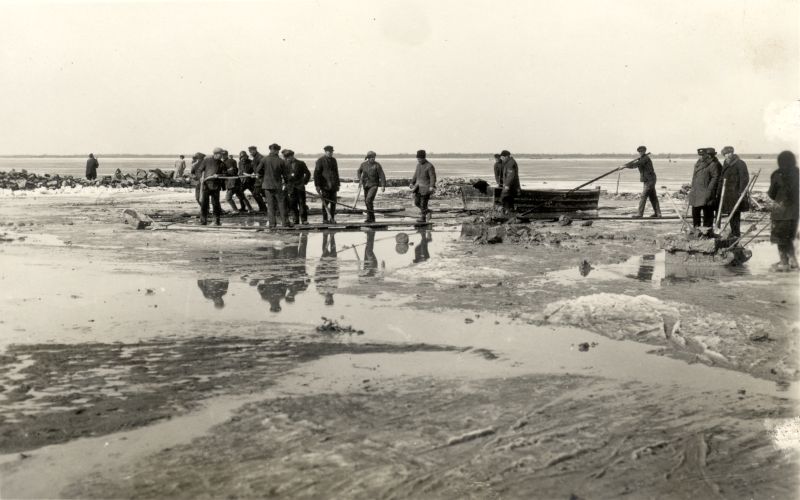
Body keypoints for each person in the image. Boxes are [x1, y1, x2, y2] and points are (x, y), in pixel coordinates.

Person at [767, 151, 799, 271]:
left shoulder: (777, 174)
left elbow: (772, 193)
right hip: (794, 212)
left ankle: (784, 262)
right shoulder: (798, 173)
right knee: (789, 237)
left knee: (780, 238)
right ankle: (793, 261)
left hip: (780, 212)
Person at [717, 146, 750, 237]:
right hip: (727, 193)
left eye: (729, 153)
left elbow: (744, 179)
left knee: (735, 213)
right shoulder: (725, 163)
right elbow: (722, 177)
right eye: (726, 154)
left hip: (736, 193)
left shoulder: (740, 163)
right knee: (730, 213)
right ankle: (733, 232)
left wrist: (741, 192)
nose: (728, 155)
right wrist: (719, 191)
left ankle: (736, 233)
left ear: (733, 153)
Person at [688, 148, 721, 232]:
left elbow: (715, 177)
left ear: (706, 155)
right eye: (699, 155)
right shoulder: (698, 164)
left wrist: (709, 190)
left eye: (702, 155)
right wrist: (692, 188)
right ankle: (697, 230)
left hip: (706, 192)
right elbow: (694, 177)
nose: (701, 157)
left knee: (708, 212)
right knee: (695, 212)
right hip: (696, 192)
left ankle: (707, 231)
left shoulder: (712, 164)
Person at [260, 143, 291, 228]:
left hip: (267, 186)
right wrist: (287, 183)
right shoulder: (281, 161)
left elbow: (258, 171)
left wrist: (264, 176)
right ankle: (285, 223)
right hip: (278, 186)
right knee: (281, 204)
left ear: (270, 150)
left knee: (270, 206)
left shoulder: (264, 160)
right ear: (277, 151)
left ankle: (272, 224)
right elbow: (285, 175)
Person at [627, 146, 661, 218]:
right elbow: (636, 163)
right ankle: (658, 214)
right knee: (653, 197)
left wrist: (625, 166)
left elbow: (636, 165)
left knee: (643, 196)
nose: (640, 153)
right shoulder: (642, 158)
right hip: (648, 180)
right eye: (639, 152)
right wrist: (626, 165)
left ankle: (639, 214)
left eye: (642, 151)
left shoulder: (645, 159)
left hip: (650, 180)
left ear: (645, 151)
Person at [195, 147, 225, 225]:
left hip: (215, 186)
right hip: (206, 185)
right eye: (220, 154)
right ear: (215, 154)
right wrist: (200, 178)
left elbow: (225, 174)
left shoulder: (221, 163)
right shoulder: (206, 161)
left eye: (222, 154)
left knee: (216, 204)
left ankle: (216, 221)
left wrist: (218, 175)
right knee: (204, 203)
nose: (221, 156)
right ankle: (203, 220)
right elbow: (199, 170)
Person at [357, 151, 387, 222]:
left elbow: (382, 175)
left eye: (374, 157)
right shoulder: (363, 164)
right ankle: (370, 218)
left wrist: (383, 185)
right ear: (368, 158)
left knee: (368, 200)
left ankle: (371, 218)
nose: (373, 159)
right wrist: (360, 179)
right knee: (367, 202)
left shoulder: (377, 165)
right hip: (366, 186)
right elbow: (358, 171)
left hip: (374, 185)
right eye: (371, 158)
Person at [283, 149, 311, 225]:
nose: (287, 159)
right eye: (286, 157)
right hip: (290, 188)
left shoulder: (301, 163)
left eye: (288, 157)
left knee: (302, 203)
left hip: (300, 187)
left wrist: (304, 182)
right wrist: (286, 183)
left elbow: (308, 173)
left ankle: (304, 220)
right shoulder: (285, 164)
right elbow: (284, 176)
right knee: (292, 204)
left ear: (292, 156)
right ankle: (296, 220)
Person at [314, 145, 340, 223]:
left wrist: (338, 184)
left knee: (333, 203)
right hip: (325, 186)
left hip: (333, 185)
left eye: (331, 152)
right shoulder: (320, 160)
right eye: (329, 152)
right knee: (325, 203)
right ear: (325, 152)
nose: (330, 153)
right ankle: (325, 219)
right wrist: (317, 185)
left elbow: (336, 172)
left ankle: (332, 218)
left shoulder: (334, 160)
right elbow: (316, 174)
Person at [410, 149, 437, 222]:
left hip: (426, 188)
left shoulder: (429, 166)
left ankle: (423, 218)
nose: (418, 160)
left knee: (423, 203)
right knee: (416, 203)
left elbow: (433, 177)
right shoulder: (418, 165)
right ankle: (428, 212)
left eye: (420, 159)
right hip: (418, 188)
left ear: (424, 158)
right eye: (418, 159)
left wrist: (432, 186)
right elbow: (415, 175)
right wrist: (412, 182)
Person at [315, 231, 339, 305]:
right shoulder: (333, 290)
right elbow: (336, 278)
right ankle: (332, 235)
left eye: (328, 300)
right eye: (330, 300)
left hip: (323, 267)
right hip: (331, 266)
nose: (329, 298)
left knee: (324, 249)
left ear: (326, 300)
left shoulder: (321, 291)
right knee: (333, 249)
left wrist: (318, 268)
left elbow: (316, 279)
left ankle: (325, 236)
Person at [499, 150, 521, 219]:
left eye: (502, 157)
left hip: (510, 186)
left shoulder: (510, 163)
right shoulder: (508, 162)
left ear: (507, 156)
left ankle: (507, 214)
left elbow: (511, 175)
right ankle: (509, 213)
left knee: (505, 198)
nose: (501, 159)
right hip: (510, 185)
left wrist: (507, 185)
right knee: (508, 199)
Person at [248, 146, 268, 213]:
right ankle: (265, 208)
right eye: (249, 151)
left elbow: (264, 168)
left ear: (255, 150)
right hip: (258, 178)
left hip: (261, 178)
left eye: (251, 151)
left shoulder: (260, 157)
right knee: (263, 193)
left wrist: (258, 174)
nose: (250, 153)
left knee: (256, 193)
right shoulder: (256, 158)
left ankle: (263, 208)